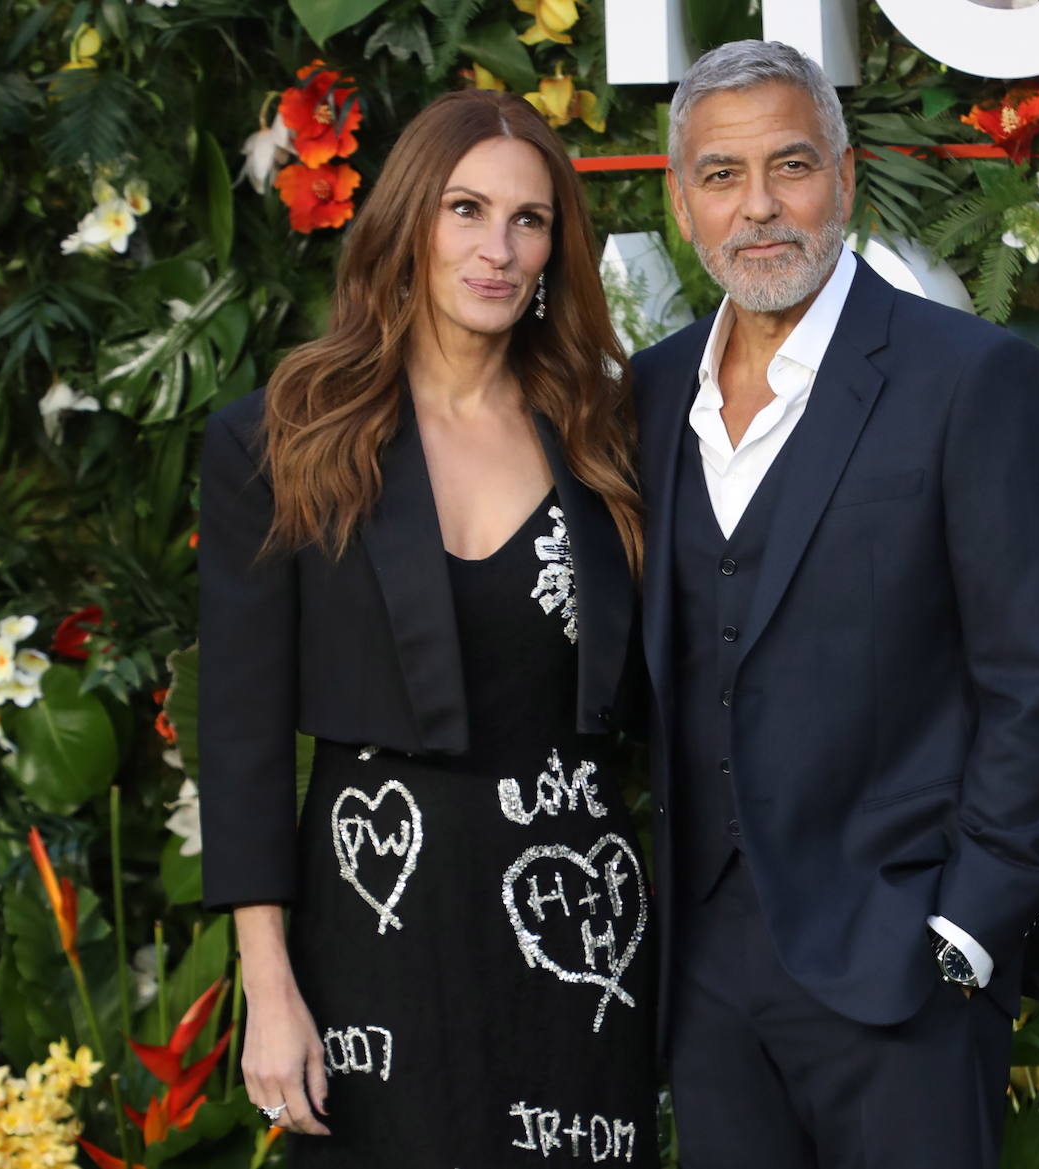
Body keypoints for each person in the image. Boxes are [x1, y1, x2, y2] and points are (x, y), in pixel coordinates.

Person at [631, 41, 1039, 1169]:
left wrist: (967, 934)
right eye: (723, 176)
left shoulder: (968, 379)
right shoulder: (645, 395)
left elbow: (1038, 681)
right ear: (684, 201)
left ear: (843, 177)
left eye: (789, 166)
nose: (759, 209)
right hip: (700, 974)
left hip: (903, 964)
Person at [198, 89, 657, 1168]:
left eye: (529, 219)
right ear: (410, 220)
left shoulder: (606, 432)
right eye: (466, 209)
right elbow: (243, 728)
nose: (497, 248)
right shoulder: (282, 438)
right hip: (376, 928)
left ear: (554, 247)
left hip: (576, 907)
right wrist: (268, 982)